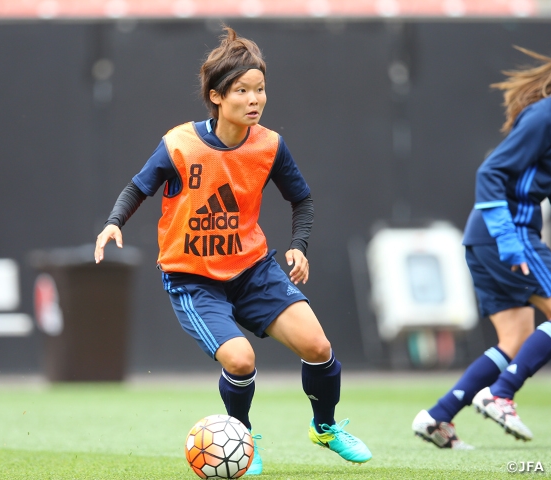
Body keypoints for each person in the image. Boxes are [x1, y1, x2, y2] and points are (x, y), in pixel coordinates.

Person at [94, 26, 372, 473]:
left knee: (318, 346)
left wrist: (299, 246)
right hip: (193, 279)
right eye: (242, 90)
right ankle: (241, 441)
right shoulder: (180, 143)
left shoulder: (269, 145)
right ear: (216, 96)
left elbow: (302, 199)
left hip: (253, 270)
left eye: (260, 89)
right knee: (241, 359)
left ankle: (325, 427)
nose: (254, 99)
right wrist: (113, 223)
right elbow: (138, 187)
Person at [412, 47, 551, 449]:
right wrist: (509, 242)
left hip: (487, 237)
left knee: (515, 339)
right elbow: (490, 171)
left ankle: (437, 416)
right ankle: (500, 394)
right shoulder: (546, 115)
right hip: (506, 236)